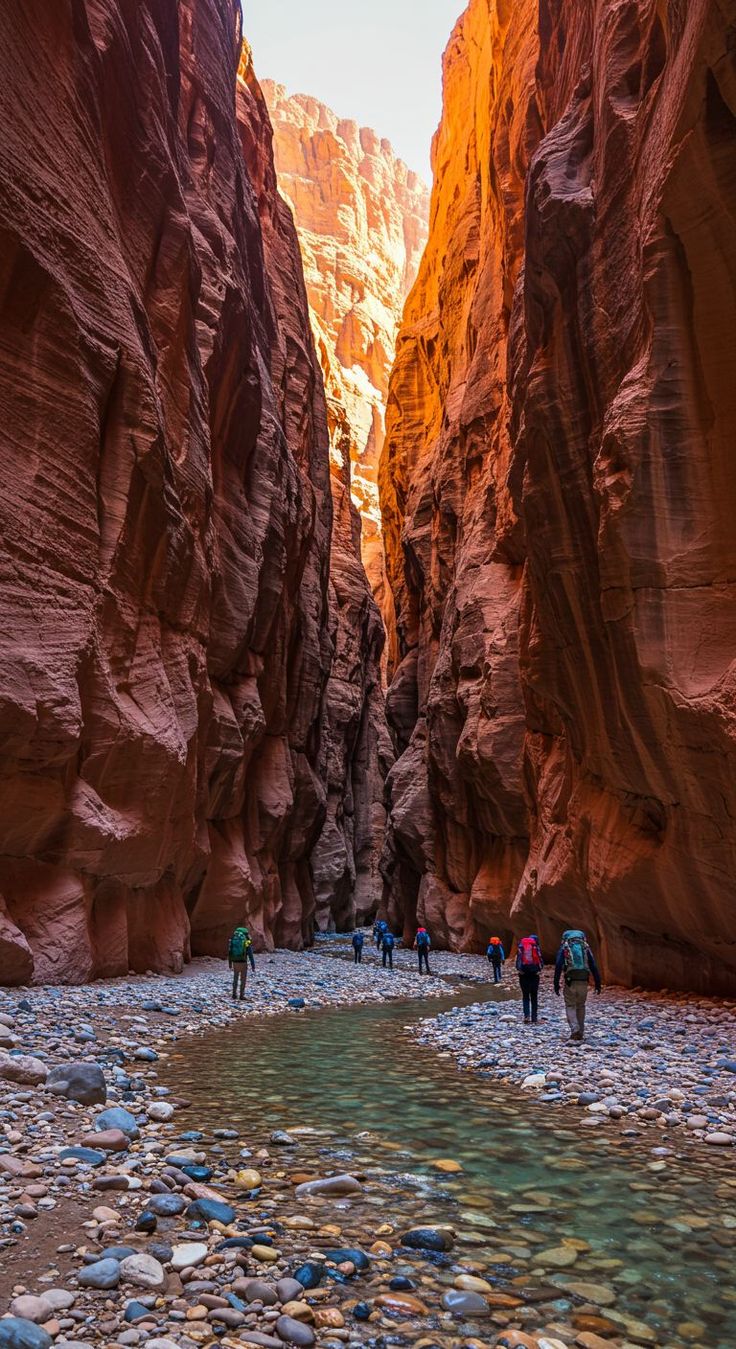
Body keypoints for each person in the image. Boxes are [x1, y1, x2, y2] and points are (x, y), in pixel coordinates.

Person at [554, 928, 602, 1041]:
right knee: (581, 1005)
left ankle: (575, 1029)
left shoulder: (565, 948)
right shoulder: (585, 948)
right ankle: (581, 1031)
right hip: (583, 981)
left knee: (570, 1005)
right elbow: (593, 966)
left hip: (570, 981)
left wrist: (556, 984)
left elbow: (558, 966)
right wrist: (598, 983)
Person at [515, 934, 543, 1024]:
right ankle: (534, 1017)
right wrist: (539, 970)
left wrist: (520, 971)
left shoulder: (521, 948)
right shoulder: (536, 948)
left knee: (525, 996)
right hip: (534, 975)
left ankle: (527, 1016)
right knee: (534, 996)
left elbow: (518, 961)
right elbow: (541, 962)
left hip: (523, 975)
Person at [228, 925, 256, 1001]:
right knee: (243, 979)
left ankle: (234, 994)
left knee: (235, 978)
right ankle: (241, 995)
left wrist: (230, 964)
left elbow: (230, 952)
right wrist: (253, 966)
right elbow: (250, 954)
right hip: (243, 962)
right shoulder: (246, 941)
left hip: (235, 961)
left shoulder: (233, 940)